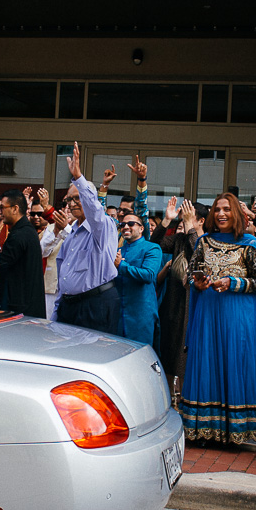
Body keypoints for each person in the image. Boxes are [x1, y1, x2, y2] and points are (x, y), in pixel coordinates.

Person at [180, 193, 256, 445]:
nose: (221, 214)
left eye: (227, 210)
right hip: (208, 313)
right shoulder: (204, 242)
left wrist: (233, 282)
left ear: (237, 214)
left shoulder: (250, 244)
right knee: (206, 361)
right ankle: (202, 430)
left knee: (233, 362)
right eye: (217, 209)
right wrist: (198, 282)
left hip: (237, 316)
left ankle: (233, 432)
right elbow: (192, 273)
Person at [54, 142, 121, 334]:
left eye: (78, 198)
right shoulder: (72, 234)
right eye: (69, 199)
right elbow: (63, 278)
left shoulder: (102, 225)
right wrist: (58, 312)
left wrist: (78, 177)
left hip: (95, 306)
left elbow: (95, 210)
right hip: (70, 307)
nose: (73, 203)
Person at [156, 198, 203, 392]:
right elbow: (155, 243)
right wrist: (167, 220)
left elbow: (199, 252)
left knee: (188, 356)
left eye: (190, 218)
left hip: (195, 304)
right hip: (174, 303)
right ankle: (170, 400)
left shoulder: (208, 240)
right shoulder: (179, 239)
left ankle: (186, 401)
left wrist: (191, 228)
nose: (184, 222)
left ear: (201, 221)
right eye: (184, 218)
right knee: (169, 351)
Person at [0, 191, 45, 318]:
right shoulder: (27, 231)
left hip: (20, 309)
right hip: (29, 307)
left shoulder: (19, 235)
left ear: (15, 209)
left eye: (2, 208)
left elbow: (0, 266)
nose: (0, 212)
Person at [117, 207, 161, 345]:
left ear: (141, 228)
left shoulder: (152, 248)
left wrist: (121, 266)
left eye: (130, 224)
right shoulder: (118, 250)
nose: (125, 227)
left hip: (140, 314)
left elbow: (148, 275)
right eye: (122, 225)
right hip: (118, 314)